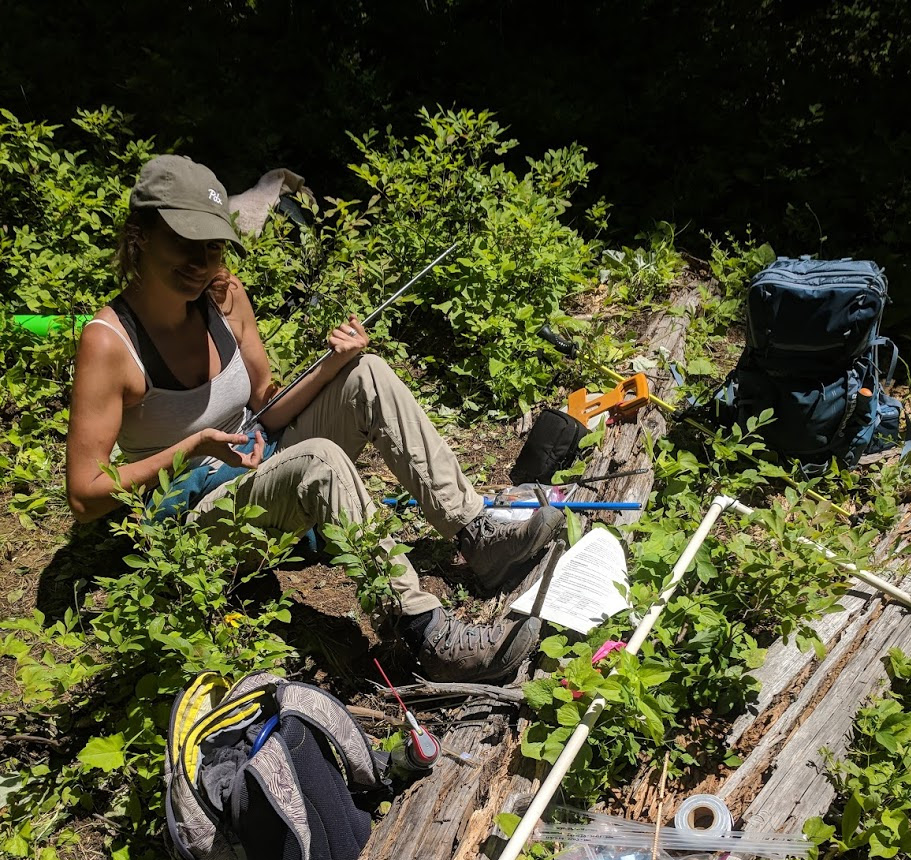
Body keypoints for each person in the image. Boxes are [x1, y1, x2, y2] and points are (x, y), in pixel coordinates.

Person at [66, 155, 562, 682]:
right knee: (321, 462)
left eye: (212, 245)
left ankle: (475, 534)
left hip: (259, 468)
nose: (201, 262)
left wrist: (334, 364)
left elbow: (266, 406)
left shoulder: (224, 298)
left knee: (366, 372)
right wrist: (193, 448)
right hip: (192, 522)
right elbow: (85, 495)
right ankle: (426, 634)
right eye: (184, 243)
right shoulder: (110, 342)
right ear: (140, 234)